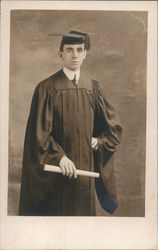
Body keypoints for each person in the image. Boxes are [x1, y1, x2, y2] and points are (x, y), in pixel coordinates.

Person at [19, 30, 122, 216]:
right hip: (56, 179)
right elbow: (39, 136)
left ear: (85, 54)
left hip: (84, 182)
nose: (74, 55)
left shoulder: (93, 89)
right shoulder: (46, 89)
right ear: (61, 54)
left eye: (79, 50)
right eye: (69, 50)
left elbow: (112, 130)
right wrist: (60, 157)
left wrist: (99, 141)